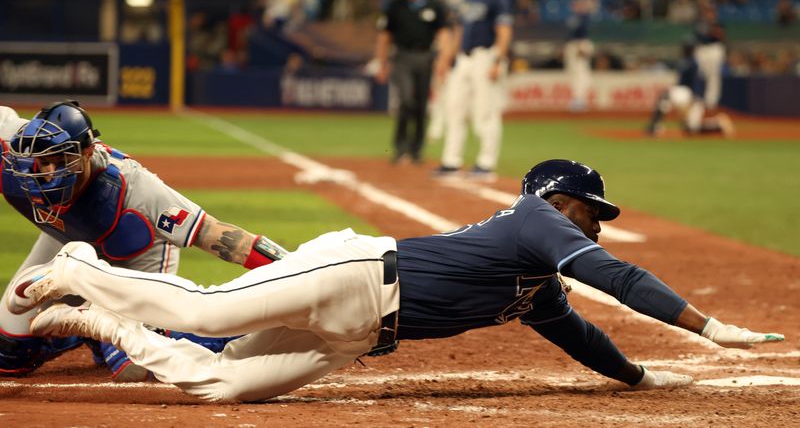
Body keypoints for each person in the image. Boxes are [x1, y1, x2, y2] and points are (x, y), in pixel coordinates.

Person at [9, 159, 784, 402]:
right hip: (354, 277)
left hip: (357, 337)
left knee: (221, 386)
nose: (598, 222)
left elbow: (581, 332)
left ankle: (97, 322)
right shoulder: (534, 220)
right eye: (592, 208)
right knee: (207, 314)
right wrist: (710, 328)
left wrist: (638, 376)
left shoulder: (537, 281)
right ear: (556, 199)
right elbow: (613, 274)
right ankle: (79, 266)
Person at [0, 101, 289, 380]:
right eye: (42, 161)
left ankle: (133, 326)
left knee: (134, 366)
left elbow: (213, 234)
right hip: (66, 245)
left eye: (60, 160)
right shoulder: (11, 155)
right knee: (9, 356)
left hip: (134, 256)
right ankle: (86, 332)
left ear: (88, 152)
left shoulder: (134, 187)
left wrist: (298, 268)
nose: (48, 173)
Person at [433, 0, 513, 181]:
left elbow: (504, 31)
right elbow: (458, 32)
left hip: (485, 57)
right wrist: (446, 59)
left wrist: (498, 60)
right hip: (464, 60)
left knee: (485, 112)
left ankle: (486, 163)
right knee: (454, 108)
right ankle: (451, 161)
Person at [373, 0, 452, 164]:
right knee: (406, 100)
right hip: (402, 56)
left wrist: (443, 59)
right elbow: (384, 36)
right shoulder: (395, 5)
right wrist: (381, 62)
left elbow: (443, 32)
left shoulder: (434, 4)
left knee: (421, 105)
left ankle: (416, 150)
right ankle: (401, 148)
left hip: (425, 56)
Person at [645, 41, 734, 137]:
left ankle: (655, 126)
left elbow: (696, 83)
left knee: (666, 95)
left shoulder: (693, 63)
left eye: (687, 47)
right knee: (691, 129)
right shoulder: (688, 61)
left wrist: (693, 101)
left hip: (690, 96)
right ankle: (717, 125)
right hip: (688, 95)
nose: (684, 49)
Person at [564, 0, 596, 112]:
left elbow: (582, 34)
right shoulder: (575, 17)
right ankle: (578, 100)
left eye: (579, 3)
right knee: (576, 73)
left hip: (580, 44)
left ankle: (579, 100)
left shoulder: (583, 16)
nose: (576, 5)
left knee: (581, 73)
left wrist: (581, 47)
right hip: (575, 45)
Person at [693, 0, 726, 110]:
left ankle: (711, 103)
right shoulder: (700, 22)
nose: (708, 12)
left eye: (710, 10)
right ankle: (699, 101)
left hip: (714, 48)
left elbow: (720, 36)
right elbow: (698, 36)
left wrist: (713, 29)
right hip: (702, 49)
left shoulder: (717, 22)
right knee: (700, 75)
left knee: (713, 76)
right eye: (706, 10)